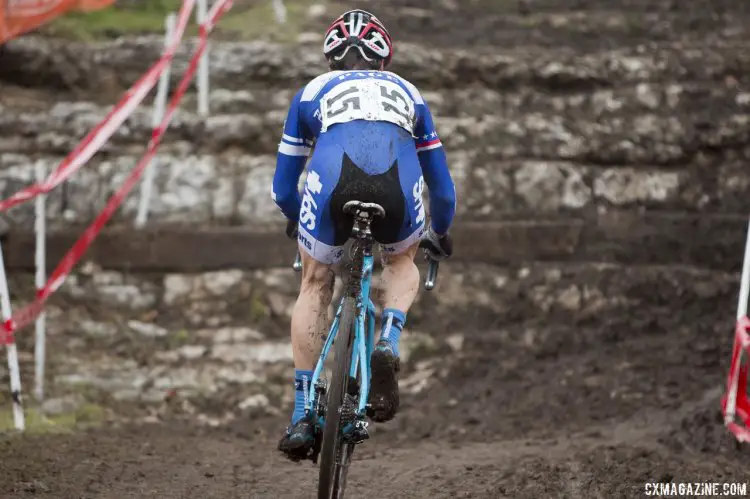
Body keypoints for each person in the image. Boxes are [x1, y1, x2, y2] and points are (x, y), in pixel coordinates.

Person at [272, 9, 456, 461]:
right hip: (397, 181)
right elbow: (443, 189)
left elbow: (281, 188)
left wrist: (299, 220)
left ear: (331, 58)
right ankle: (389, 340)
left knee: (315, 282)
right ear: (383, 62)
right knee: (400, 261)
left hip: (333, 180)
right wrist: (440, 232)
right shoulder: (408, 93)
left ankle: (301, 414)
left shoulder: (311, 91)